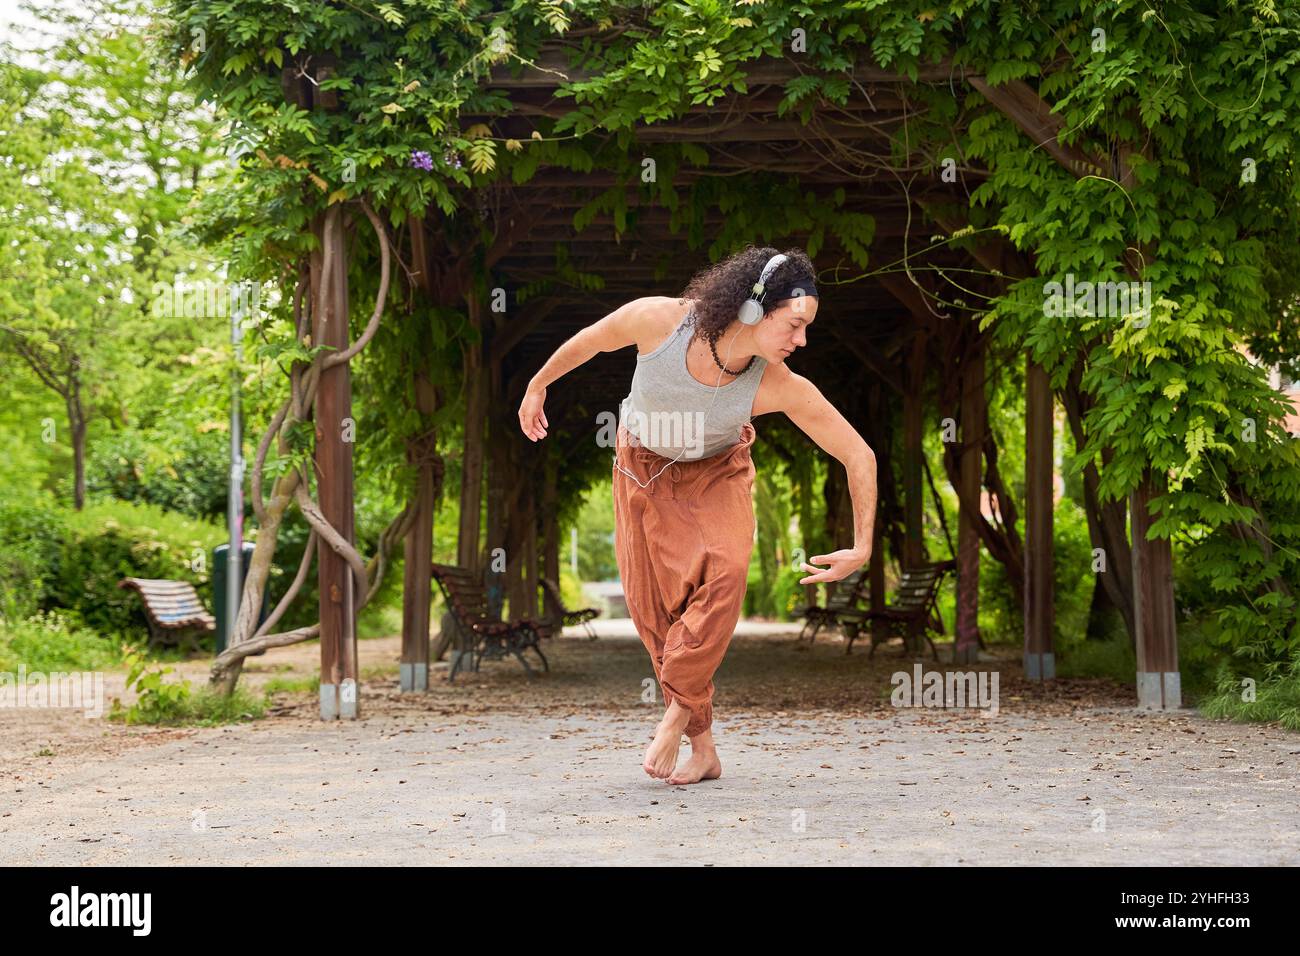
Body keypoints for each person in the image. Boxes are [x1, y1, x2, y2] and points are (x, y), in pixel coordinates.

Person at [517, 246, 878, 785]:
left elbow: (858, 455)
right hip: (641, 471)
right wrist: (537, 383)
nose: (802, 340)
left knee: (728, 571)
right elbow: (589, 341)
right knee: (654, 615)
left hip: (717, 473)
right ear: (755, 308)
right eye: (795, 324)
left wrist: (864, 545)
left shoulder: (775, 382)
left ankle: (677, 714)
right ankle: (703, 749)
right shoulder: (659, 321)